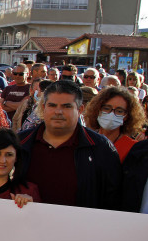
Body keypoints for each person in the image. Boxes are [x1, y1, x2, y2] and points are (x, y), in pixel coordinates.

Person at [18, 80, 121, 210]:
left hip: (81, 227)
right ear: (44, 107)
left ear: (80, 109)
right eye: (52, 105)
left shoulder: (101, 148)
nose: (58, 112)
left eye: (67, 106)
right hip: (28, 226)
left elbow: (112, 199)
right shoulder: (20, 143)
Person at [82, 86, 145, 162]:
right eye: (106, 108)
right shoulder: (85, 141)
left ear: (127, 116)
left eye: (119, 111)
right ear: (97, 109)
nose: (111, 114)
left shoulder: (133, 148)